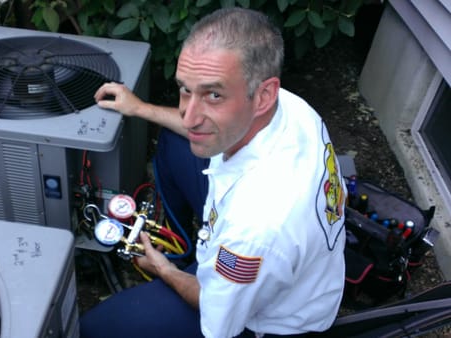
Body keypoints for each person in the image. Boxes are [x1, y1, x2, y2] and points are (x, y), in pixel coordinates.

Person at [80, 7, 347, 338]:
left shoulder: (256, 226)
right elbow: (202, 124)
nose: (190, 115)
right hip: (284, 261)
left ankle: (181, 262)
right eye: (186, 89)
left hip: (268, 319)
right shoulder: (291, 108)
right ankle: (188, 248)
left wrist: (163, 269)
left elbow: (215, 313)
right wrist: (139, 109)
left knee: (95, 328)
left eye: (213, 95)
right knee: (176, 143)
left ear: (263, 94)